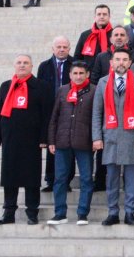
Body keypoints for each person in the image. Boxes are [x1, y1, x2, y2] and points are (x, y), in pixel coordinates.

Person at [0, 54, 53, 225]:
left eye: (26, 63)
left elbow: (47, 115)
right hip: (10, 138)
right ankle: (9, 212)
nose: (22, 65)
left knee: (31, 177)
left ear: (32, 66)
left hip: (32, 140)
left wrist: (44, 138)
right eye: (19, 63)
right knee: (9, 176)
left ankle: (32, 212)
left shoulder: (41, 87)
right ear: (14, 65)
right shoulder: (6, 86)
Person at [92, 49, 134, 226]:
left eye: (125, 60)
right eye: (117, 59)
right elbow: (97, 112)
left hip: (132, 136)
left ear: (130, 63)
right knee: (112, 178)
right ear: (111, 62)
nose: (121, 63)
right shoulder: (103, 82)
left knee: (131, 178)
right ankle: (113, 212)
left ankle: (130, 212)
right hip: (110, 137)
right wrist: (96, 137)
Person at [46, 61, 96, 225]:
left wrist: (96, 138)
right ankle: (60, 213)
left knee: (86, 179)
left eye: (81, 73)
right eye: (75, 73)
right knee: (60, 178)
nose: (78, 76)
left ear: (87, 74)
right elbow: (54, 117)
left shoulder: (94, 91)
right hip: (63, 141)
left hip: (84, 142)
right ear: (69, 75)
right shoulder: (63, 90)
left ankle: (82, 213)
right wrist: (51, 140)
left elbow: (97, 117)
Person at [36, 36, 74, 192]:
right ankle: (51, 179)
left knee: (69, 145)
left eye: (65, 47)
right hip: (50, 110)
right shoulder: (44, 66)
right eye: (58, 46)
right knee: (52, 145)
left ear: (69, 48)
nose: (61, 49)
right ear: (53, 49)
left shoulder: (75, 64)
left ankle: (67, 180)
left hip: (69, 110)